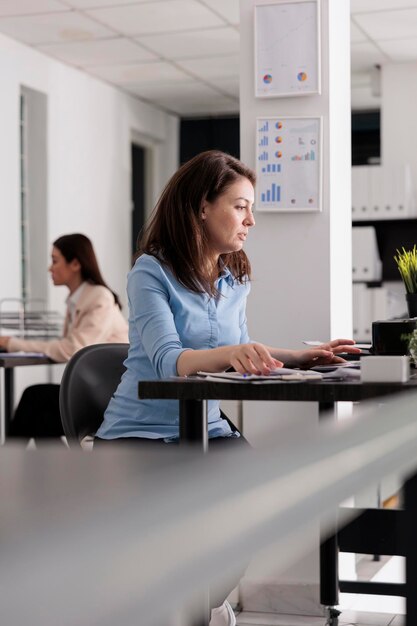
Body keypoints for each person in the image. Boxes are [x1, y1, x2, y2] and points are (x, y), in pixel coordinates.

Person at [94, 150, 359, 625]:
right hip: (139, 436)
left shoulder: (234, 277)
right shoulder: (150, 272)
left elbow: (235, 351)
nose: (250, 220)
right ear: (201, 207)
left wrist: (296, 356)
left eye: (251, 208)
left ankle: (201, 603)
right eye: (240, 206)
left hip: (207, 428)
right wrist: (241, 352)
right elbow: (170, 361)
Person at [0, 233, 128, 441]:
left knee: (34, 397)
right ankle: (44, 470)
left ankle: (7, 466)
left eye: (55, 260)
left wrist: (11, 343)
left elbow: (72, 348)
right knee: (41, 420)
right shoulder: (76, 300)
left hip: (108, 393)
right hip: (92, 389)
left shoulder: (99, 297)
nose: (50, 268)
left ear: (75, 263)